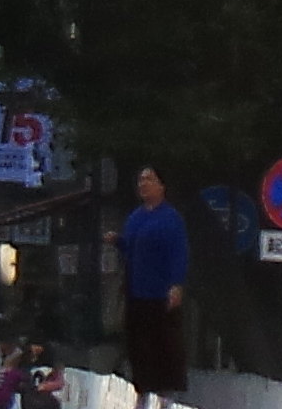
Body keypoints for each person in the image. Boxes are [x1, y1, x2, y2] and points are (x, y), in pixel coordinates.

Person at [119, 164, 191, 408]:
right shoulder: (135, 217)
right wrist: (117, 242)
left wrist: (176, 284)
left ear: (162, 185)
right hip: (136, 293)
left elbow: (178, 253)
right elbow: (130, 247)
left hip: (160, 295)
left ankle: (166, 397)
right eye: (140, 180)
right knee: (139, 347)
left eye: (149, 179)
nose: (143, 184)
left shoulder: (170, 219)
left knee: (164, 346)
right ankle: (142, 394)